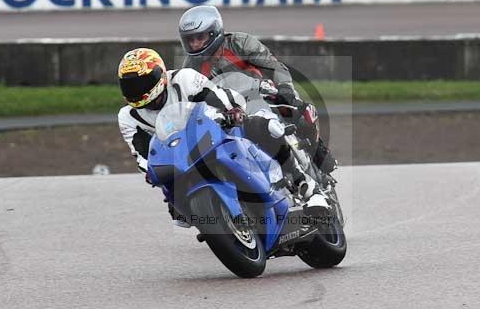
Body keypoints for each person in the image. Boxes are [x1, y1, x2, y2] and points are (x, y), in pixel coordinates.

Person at [116, 47, 329, 228]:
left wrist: (233, 110)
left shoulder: (183, 79)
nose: (137, 90)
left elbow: (219, 96)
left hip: (215, 131)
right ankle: (220, 221)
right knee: (177, 213)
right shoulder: (128, 116)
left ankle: (306, 185)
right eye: (130, 86)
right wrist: (149, 170)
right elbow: (142, 153)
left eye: (142, 83)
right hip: (179, 158)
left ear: (159, 75)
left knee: (264, 126)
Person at [177, 5, 337, 174]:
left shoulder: (240, 43)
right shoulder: (190, 68)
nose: (195, 44)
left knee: (294, 107)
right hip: (230, 111)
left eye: (199, 37)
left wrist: (284, 88)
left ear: (214, 32)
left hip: (263, 95)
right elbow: (189, 98)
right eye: (190, 39)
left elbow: (275, 67)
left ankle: (318, 151)